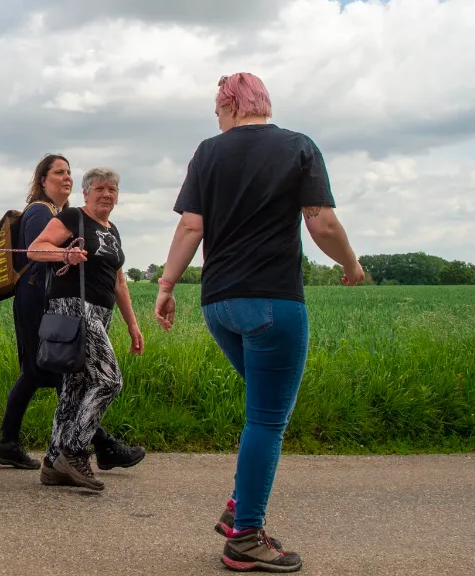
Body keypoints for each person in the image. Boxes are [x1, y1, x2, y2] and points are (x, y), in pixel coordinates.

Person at [155, 72, 364, 573]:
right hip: (272, 303)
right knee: (268, 419)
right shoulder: (298, 147)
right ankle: (245, 537)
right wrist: (351, 264)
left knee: (264, 409)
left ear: (233, 104)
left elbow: (191, 225)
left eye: (217, 107)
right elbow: (321, 221)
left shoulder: (208, 153)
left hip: (219, 306)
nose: (216, 116)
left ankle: (238, 507)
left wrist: (166, 286)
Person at [0, 155, 145, 472]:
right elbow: (38, 250)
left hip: (86, 310)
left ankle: (52, 460)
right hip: (56, 306)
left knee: (68, 383)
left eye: (112, 189)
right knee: (103, 380)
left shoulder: (105, 227)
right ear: (43, 179)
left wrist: (133, 325)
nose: (66, 177)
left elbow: (119, 280)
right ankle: (79, 450)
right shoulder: (48, 212)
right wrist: (64, 255)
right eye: (59, 172)